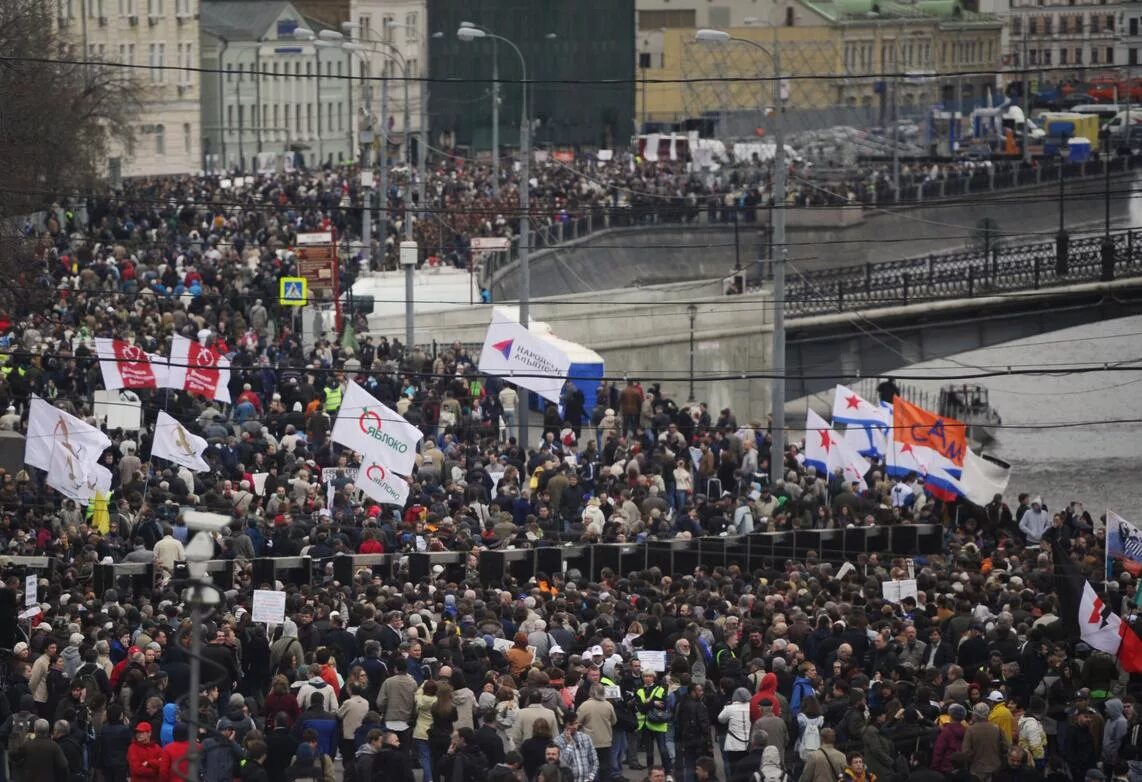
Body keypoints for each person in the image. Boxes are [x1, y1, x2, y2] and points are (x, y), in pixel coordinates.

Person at [577, 684, 616, 782]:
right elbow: (614, 721)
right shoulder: (608, 705)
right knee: (605, 766)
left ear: (591, 692)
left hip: (589, 741)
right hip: (605, 740)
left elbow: (577, 722)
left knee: (591, 767)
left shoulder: (585, 705)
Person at [961, 702, 1007, 782]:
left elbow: (965, 752)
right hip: (996, 768)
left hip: (977, 769)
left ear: (975, 714)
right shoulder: (997, 728)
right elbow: (1006, 747)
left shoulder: (971, 730)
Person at [554, 712, 598, 782]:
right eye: (571, 724)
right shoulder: (557, 741)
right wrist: (569, 745)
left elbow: (594, 761)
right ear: (565, 725)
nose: (574, 727)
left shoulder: (586, 738)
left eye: (576, 723)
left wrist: (591, 777)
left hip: (586, 780)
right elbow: (563, 764)